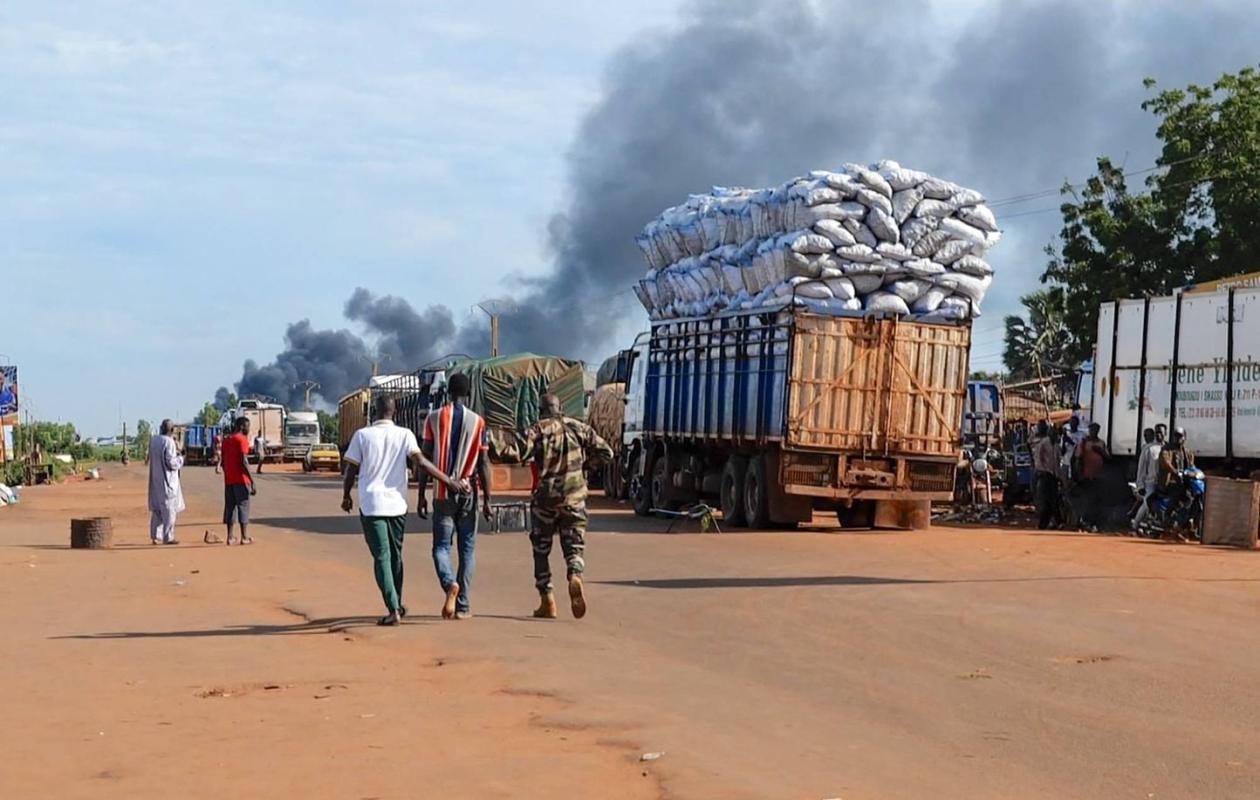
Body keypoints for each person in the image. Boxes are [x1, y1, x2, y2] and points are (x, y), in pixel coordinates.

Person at [342, 394, 466, 626]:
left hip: (372, 506)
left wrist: (346, 495)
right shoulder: (405, 434)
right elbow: (422, 463)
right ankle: (397, 603)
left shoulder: (362, 435)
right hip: (397, 506)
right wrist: (447, 480)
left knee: (382, 557)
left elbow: (351, 469)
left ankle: (393, 608)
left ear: (374, 412)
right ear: (395, 412)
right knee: (396, 556)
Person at [495, 393, 613, 620]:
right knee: (574, 546)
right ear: (561, 408)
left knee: (541, 549)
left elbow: (513, 454)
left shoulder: (538, 430)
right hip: (575, 498)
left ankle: (547, 600)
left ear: (541, 410)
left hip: (546, 500)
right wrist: (584, 467)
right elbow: (606, 452)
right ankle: (575, 575)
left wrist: (493, 443)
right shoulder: (579, 428)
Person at [418, 373, 493, 620]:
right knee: (467, 550)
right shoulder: (479, 422)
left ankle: (449, 583)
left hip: (442, 492)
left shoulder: (434, 418)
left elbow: (425, 459)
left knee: (441, 547)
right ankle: (463, 606)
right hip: (469, 492)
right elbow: (484, 463)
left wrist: (420, 495)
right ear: (468, 393)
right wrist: (488, 500)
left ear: (448, 392)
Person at [147, 419, 185, 545]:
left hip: (156, 479)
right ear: (172, 430)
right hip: (167, 481)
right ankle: (168, 537)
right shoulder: (169, 442)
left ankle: (155, 536)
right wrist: (181, 458)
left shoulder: (154, 440)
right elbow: (171, 463)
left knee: (157, 509)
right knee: (169, 509)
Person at [221, 417, 257, 545]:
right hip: (242, 480)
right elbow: (244, 461)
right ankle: (244, 537)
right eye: (248, 426)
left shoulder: (226, 441)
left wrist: (228, 474)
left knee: (230, 507)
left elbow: (223, 463)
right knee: (243, 506)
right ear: (242, 426)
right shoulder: (242, 440)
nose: (248, 429)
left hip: (229, 480)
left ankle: (230, 537)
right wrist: (252, 480)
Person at [1073, 422, 1110, 532]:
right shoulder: (1084, 443)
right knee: (1087, 500)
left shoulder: (1101, 443)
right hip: (1086, 476)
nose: (1093, 432)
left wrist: (1101, 452)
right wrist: (1078, 475)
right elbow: (1077, 458)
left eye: (1096, 430)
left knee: (1097, 501)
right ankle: (1084, 522)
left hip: (1098, 476)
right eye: (1092, 429)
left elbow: (1108, 458)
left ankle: (1094, 523)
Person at [1132, 427, 1162, 531]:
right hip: (1150, 482)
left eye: (1148, 435)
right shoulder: (1148, 449)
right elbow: (1141, 468)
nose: (1146, 437)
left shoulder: (1164, 447)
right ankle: (1135, 525)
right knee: (1146, 504)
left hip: (1161, 482)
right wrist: (1140, 485)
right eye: (1145, 435)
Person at [1031, 420, 1059, 530]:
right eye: (1053, 433)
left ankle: (1048, 523)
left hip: (1053, 475)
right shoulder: (1043, 443)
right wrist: (1041, 471)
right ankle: (1045, 523)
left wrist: (1058, 475)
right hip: (1044, 474)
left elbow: (1057, 461)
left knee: (1052, 499)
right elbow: (1038, 458)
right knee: (1046, 499)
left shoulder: (1056, 445)